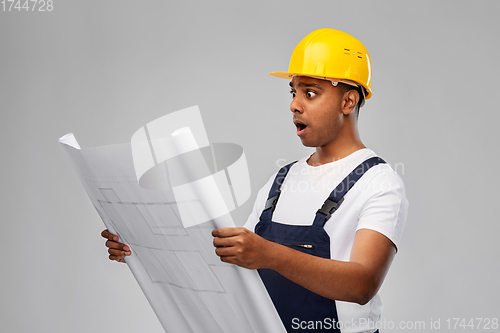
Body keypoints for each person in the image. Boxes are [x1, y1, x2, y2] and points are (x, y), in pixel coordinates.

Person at [102, 28, 408, 333]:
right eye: (293, 92)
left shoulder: (379, 183)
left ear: (348, 102)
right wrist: (141, 248)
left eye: (310, 93)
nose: (294, 105)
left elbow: (362, 284)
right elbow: (232, 266)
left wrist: (269, 254)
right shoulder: (283, 179)